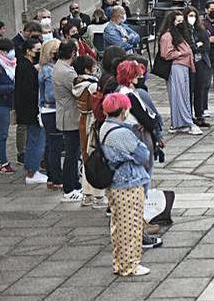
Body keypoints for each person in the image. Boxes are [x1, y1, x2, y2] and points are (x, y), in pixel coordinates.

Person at [100, 93, 152, 277]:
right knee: (132, 226)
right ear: (122, 110)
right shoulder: (122, 133)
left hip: (115, 183)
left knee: (118, 226)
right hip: (128, 183)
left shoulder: (105, 127)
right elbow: (143, 155)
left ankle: (120, 263)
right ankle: (130, 265)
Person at [158, 12, 203, 135]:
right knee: (179, 95)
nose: (180, 24)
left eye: (181, 21)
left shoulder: (178, 34)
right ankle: (186, 122)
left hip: (183, 66)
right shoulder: (167, 36)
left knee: (183, 95)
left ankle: (180, 123)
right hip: (176, 66)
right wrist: (181, 54)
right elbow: (166, 54)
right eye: (177, 21)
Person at [52, 39, 85, 201]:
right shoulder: (67, 72)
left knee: (73, 152)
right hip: (70, 116)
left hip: (67, 114)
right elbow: (79, 90)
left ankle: (75, 184)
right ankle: (69, 188)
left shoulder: (60, 66)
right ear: (72, 53)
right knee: (72, 154)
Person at [72, 54, 105, 206]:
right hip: (92, 121)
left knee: (86, 156)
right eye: (93, 66)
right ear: (87, 69)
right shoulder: (92, 85)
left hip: (82, 120)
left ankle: (87, 193)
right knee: (95, 157)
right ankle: (97, 195)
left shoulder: (77, 83)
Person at [16, 38, 46, 184]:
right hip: (32, 109)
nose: (39, 53)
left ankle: (30, 169)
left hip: (27, 109)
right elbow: (30, 90)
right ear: (28, 51)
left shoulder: (24, 64)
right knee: (36, 140)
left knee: (32, 140)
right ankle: (32, 172)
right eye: (37, 50)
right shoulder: (27, 67)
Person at [184, 7, 211, 127]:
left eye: (194, 16)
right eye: (190, 16)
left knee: (200, 90)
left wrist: (197, 46)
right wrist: (195, 46)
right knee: (189, 90)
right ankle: (189, 115)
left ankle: (199, 115)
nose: (192, 18)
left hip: (200, 62)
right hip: (189, 64)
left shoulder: (200, 29)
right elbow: (189, 47)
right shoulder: (184, 30)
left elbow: (206, 44)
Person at [38, 39, 61, 186]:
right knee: (55, 146)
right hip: (51, 110)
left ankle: (51, 178)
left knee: (50, 145)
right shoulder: (48, 69)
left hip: (48, 110)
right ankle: (56, 177)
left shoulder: (45, 68)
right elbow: (49, 95)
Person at [0, 38, 15, 174]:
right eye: (8, 51)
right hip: (1, 104)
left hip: (6, 103)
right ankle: (2, 162)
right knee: (2, 134)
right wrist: (11, 87)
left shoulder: (9, 65)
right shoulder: (0, 66)